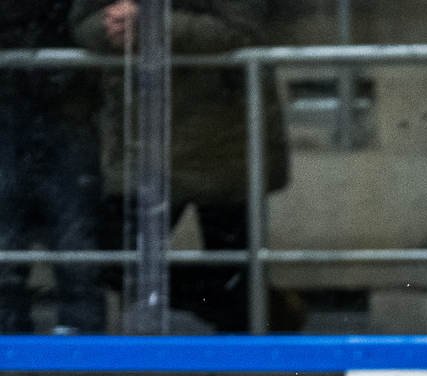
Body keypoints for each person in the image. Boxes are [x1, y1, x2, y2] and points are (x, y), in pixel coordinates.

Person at [72, 0, 297, 333]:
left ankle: (255, 328)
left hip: (223, 136)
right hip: (148, 136)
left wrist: (151, 26)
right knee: (113, 259)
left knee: (230, 265)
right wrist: (112, 26)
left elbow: (243, 31)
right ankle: (259, 314)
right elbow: (81, 23)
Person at [0, 4, 104, 333]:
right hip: (34, 97)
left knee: (73, 232)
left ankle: (77, 329)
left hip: (62, 100)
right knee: (14, 229)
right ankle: (15, 322)